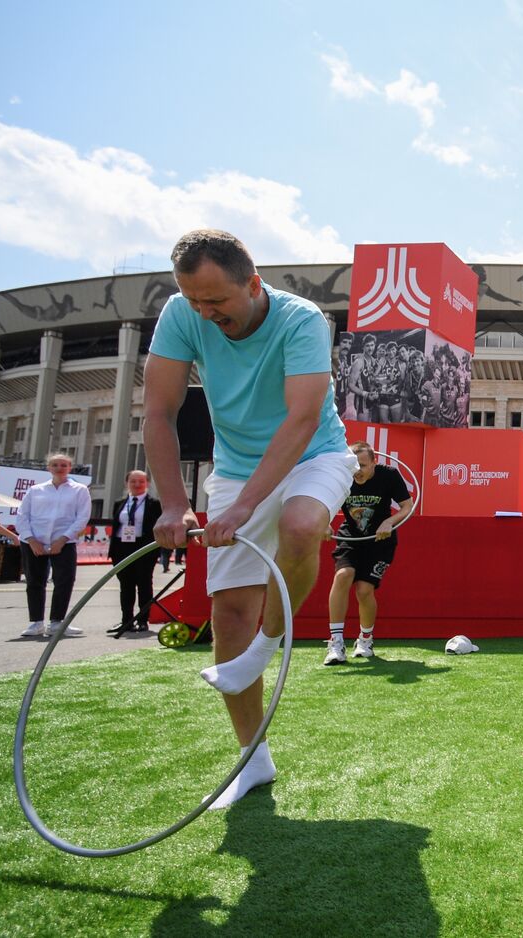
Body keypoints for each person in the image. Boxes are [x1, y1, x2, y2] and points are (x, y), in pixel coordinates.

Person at [145, 229, 358, 810]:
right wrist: (171, 502)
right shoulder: (182, 314)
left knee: (298, 524)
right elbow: (159, 412)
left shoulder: (302, 319)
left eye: (217, 302)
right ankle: (252, 758)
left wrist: (242, 507)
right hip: (236, 466)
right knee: (229, 610)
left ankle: (268, 645)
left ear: (254, 284)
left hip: (315, 454)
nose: (206, 314)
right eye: (195, 302)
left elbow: (302, 418)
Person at [325, 441, 415, 665]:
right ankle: (336, 643)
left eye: (363, 465)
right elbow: (323, 505)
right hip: (350, 537)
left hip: (380, 541)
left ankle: (365, 640)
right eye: (354, 466)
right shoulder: (342, 476)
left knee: (364, 590)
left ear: (375, 463)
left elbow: (407, 505)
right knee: (343, 575)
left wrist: (389, 522)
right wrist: (324, 522)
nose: (358, 471)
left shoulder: (389, 475)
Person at [17, 453, 92, 639]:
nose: (60, 468)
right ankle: (36, 622)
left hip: (64, 542)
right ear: (49, 468)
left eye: (64, 465)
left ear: (70, 468)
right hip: (35, 542)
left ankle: (57, 622)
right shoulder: (35, 490)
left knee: (64, 581)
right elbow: (22, 515)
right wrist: (32, 540)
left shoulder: (79, 490)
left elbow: (82, 517)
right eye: (55, 465)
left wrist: (63, 539)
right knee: (35, 582)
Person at [107, 470, 162, 636]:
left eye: (141, 481)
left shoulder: (154, 504)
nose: (137, 485)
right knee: (126, 585)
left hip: (143, 548)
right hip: (122, 548)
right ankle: (126, 620)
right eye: (133, 481)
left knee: (144, 584)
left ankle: (143, 620)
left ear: (148, 484)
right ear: (127, 483)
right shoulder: (120, 503)